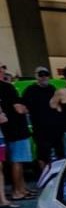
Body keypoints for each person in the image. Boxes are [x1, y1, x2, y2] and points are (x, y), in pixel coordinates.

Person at [22, 66, 64, 171]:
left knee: (58, 153)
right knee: (43, 154)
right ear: (36, 76)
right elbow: (24, 107)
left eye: (46, 74)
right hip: (40, 128)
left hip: (55, 128)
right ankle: (44, 177)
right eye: (41, 74)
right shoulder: (30, 90)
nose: (44, 77)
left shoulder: (52, 89)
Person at [0, 70, 33, 200]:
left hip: (5, 131)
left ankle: (21, 189)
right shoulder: (8, 88)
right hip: (17, 130)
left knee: (11, 163)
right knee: (18, 161)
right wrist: (27, 108)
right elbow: (19, 109)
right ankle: (18, 191)